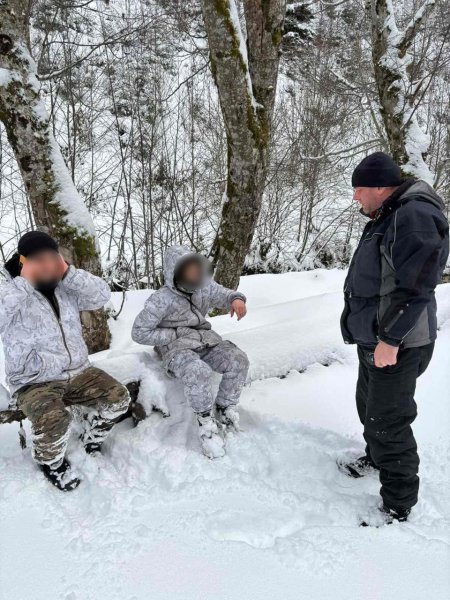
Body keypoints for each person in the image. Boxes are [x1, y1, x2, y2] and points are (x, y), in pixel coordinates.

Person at [339, 152, 449, 524]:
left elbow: (415, 284)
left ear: (381, 188)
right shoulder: (389, 214)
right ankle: (376, 457)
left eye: (359, 189)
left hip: (397, 342)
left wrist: (390, 338)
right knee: (368, 403)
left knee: (388, 420)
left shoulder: (413, 217)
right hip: (378, 338)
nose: (356, 197)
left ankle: (398, 504)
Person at [0, 231, 130, 491]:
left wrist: (68, 272)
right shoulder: (9, 288)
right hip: (34, 381)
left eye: (52, 257)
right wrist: (24, 283)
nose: (47, 264)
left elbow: (101, 295)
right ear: (22, 260)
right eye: (38, 259)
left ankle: (92, 437)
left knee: (119, 398)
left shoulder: (65, 285)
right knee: (55, 418)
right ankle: (50, 461)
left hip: (78, 372)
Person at [132, 245, 249, 459]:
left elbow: (224, 294)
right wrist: (173, 334)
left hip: (205, 341)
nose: (196, 272)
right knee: (198, 371)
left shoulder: (204, 286)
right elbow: (139, 332)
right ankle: (206, 422)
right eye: (189, 269)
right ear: (176, 271)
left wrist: (236, 299)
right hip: (177, 349)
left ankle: (224, 409)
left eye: (198, 267)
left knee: (238, 360)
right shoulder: (161, 299)